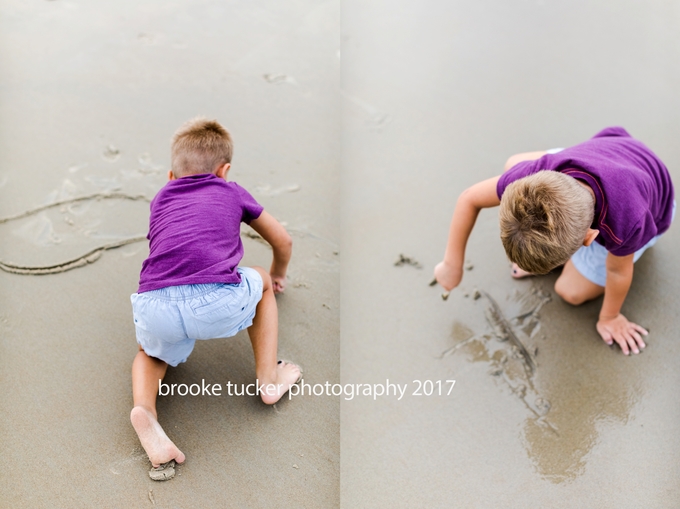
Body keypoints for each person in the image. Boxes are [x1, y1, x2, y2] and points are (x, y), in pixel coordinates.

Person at [129, 118, 301, 474]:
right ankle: (269, 381)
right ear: (224, 170)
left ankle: (145, 409)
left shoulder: (161, 198)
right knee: (263, 281)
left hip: (154, 302)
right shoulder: (232, 191)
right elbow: (282, 240)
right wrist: (279, 272)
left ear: (171, 176)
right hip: (215, 301)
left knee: (150, 354)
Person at [434, 127, 675, 356]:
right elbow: (469, 199)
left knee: (569, 291)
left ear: (590, 237)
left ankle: (562, 258)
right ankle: (554, 250)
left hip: (652, 205)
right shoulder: (529, 181)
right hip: (601, 156)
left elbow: (618, 271)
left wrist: (609, 317)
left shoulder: (626, 224)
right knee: (512, 164)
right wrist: (451, 264)